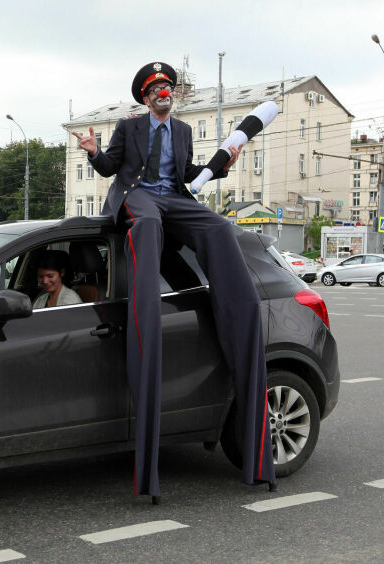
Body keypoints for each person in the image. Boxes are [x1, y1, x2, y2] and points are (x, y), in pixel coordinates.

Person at [73, 61, 274, 501]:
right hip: (138, 197)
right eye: (156, 88)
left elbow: (185, 175)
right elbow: (110, 168)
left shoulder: (182, 132)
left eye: (168, 86)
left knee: (220, 228)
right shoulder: (129, 127)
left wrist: (222, 165)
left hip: (173, 198)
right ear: (145, 98)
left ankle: (233, 302)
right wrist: (91, 149)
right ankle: (145, 307)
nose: (163, 92)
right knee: (146, 226)